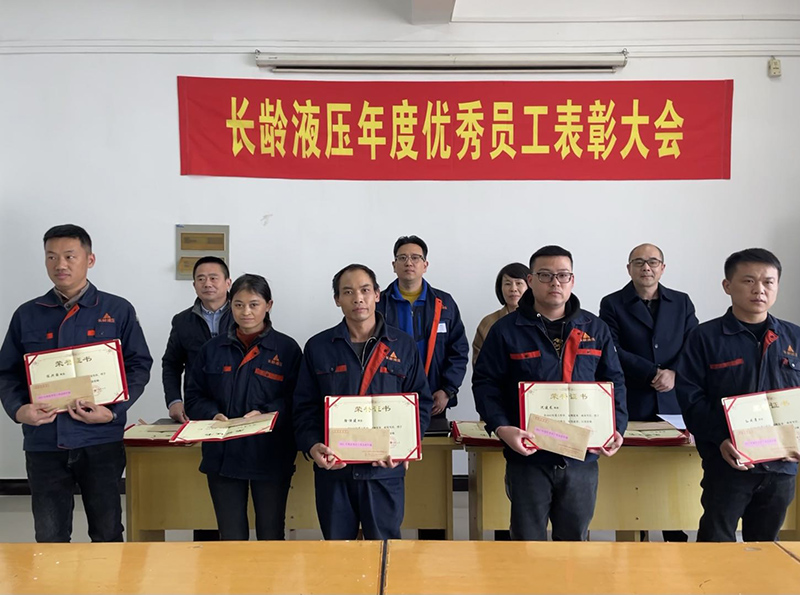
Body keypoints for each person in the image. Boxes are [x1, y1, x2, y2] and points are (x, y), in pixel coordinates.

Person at [0, 224, 152, 543]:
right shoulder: (27, 314)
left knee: (107, 533)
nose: (60, 264)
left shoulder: (117, 310)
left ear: (89, 259)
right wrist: (18, 410)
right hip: (45, 441)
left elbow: (138, 365)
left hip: (100, 439)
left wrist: (113, 412)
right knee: (50, 536)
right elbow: (7, 373)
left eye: (70, 256)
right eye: (51, 257)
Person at [473, 245, 627, 541]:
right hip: (529, 457)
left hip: (582, 457)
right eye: (545, 275)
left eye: (563, 275)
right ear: (531, 281)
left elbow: (614, 382)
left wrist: (616, 427)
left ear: (572, 280)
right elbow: (485, 384)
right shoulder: (505, 330)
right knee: (527, 542)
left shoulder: (596, 328)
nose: (555, 282)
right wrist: (501, 427)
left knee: (574, 542)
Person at [293, 264, 433, 540]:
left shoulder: (402, 345)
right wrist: (312, 445)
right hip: (335, 472)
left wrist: (406, 446)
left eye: (365, 290)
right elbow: (304, 407)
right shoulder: (318, 347)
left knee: (384, 550)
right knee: (337, 550)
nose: (358, 298)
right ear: (337, 299)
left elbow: (421, 404)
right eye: (348, 292)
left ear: (377, 295)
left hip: (384, 472)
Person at [676, 248, 800, 542]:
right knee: (716, 545)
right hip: (728, 464)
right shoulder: (704, 338)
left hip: (782, 466)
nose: (759, 289)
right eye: (748, 281)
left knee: (766, 549)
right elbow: (690, 399)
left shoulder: (795, 337)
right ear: (727, 285)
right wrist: (721, 438)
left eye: (768, 282)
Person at [185, 274, 301, 541]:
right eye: (238, 305)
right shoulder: (212, 349)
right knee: (231, 536)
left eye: (253, 304)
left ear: (268, 305)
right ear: (230, 305)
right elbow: (193, 396)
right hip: (223, 455)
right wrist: (212, 414)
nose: (246, 312)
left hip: (270, 455)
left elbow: (297, 399)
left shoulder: (286, 349)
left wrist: (267, 413)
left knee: (270, 533)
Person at [600, 243, 698, 542]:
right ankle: (636, 532)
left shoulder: (681, 302)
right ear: (628, 268)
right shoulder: (612, 303)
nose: (646, 267)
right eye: (639, 262)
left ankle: (674, 531)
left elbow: (693, 343)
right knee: (634, 470)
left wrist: (673, 372)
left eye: (653, 262)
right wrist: (652, 372)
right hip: (634, 396)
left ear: (662, 268)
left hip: (673, 398)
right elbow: (612, 348)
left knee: (670, 469)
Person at [376, 235, 468, 422]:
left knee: (434, 441)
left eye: (415, 257)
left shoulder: (444, 303)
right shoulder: (378, 304)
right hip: (389, 398)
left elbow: (458, 350)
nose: (409, 263)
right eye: (402, 258)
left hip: (434, 398)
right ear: (394, 265)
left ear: (425, 265)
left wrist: (447, 390)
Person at [162, 256, 232, 424]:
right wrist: (174, 400)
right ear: (194, 285)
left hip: (237, 403)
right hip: (199, 406)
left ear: (228, 283)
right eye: (201, 279)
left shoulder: (243, 317)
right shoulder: (182, 321)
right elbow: (171, 364)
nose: (207, 284)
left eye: (213, 278)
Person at [473, 262, 530, 366]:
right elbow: (479, 363)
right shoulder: (488, 322)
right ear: (500, 288)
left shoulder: (541, 320)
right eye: (507, 284)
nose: (513, 289)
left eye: (519, 283)